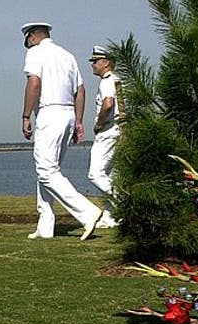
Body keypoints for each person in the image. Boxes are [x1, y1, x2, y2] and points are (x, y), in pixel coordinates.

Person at [20, 21, 113, 240]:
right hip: (68, 113)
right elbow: (80, 89)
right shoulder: (67, 55)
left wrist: (25, 115)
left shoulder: (35, 53)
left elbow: (34, 83)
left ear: (32, 37)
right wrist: (78, 121)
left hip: (49, 112)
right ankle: (46, 224)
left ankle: (87, 212)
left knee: (46, 170)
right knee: (48, 171)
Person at [86, 45, 122, 240]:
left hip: (108, 131)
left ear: (106, 63)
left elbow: (108, 104)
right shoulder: (118, 80)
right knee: (110, 174)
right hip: (118, 131)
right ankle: (110, 216)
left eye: (96, 60)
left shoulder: (107, 81)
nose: (92, 64)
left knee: (96, 174)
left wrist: (99, 123)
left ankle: (124, 204)